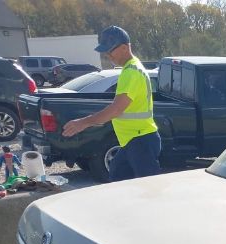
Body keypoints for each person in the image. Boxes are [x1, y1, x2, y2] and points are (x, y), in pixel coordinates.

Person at [62, 26, 161, 181]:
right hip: (134, 141)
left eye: (110, 50)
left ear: (124, 47)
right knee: (117, 180)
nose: (108, 55)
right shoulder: (132, 68)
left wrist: (84, 122)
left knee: (149, 189)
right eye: (105, 51)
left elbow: (116, 109)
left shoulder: (131, 72)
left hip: (140, 141)